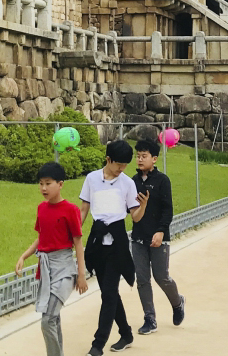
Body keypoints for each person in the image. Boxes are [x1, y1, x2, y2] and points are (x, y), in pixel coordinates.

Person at [17, 162, 89, 356]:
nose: (43, 188)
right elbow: (42, 237)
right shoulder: (41, 208)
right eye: (41, 183)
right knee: (53, 318)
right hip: (46, 269)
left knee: (47, 320)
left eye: (48, 183)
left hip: (64, 269)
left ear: (60, 184)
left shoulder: (70, 210)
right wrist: (24, 256)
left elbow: (78, 243)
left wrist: (80, 274)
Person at [80, 140, 141, 354]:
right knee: (109, 292)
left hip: (117, 243)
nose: (121, 170)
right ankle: (126, 333)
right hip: (97, 242)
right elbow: (84, 209)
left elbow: (134, 216)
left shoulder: (127, 183)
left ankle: (98, 344)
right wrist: (76, 235)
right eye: (118, 165)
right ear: (108, 160)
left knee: (108, 294)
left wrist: (142, 206)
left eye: (125, 166)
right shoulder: (92, 179)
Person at [129, 139, 185, 335]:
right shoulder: (132, 182)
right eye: (138, 156)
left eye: (144, 156)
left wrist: (161, 231)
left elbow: (167, 210)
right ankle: (149, 318)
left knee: (161, 277)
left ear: (154, 158)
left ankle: (177, 303)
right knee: (142, 279)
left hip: (159, 237)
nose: (140, 159)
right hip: (138, 238)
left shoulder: (162, 181)